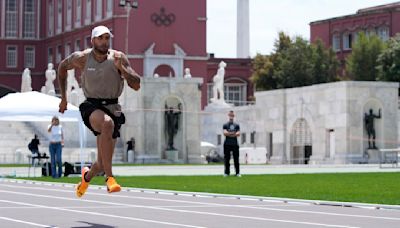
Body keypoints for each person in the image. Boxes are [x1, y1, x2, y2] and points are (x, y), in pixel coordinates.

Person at [57, 25, 141, 197]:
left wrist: (122, 69)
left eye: (107, 38)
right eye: (100, 38)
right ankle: (110, 179)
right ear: (93, 40)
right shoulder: (82, 58)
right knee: (107, 123)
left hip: (112, 106)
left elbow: (136, 84)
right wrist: (64, 98)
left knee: (101, 163)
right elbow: (62, 68)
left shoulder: (118, 58)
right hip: (92, 106)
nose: (104, 42)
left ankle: (86, 178)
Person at [223, 110, 241, 177]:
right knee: (227, 159)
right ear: (228, 115)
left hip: (235, 144)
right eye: (230, 115)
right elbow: (225, 133)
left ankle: (237, 173)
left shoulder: (237, 125)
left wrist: (229, 134)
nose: (231, 116)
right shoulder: (225, 125)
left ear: (234, 116)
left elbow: (238, 134)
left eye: (232, 115)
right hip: (227, 144)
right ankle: (226, 173)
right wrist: (233, 133)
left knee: (236, 159)